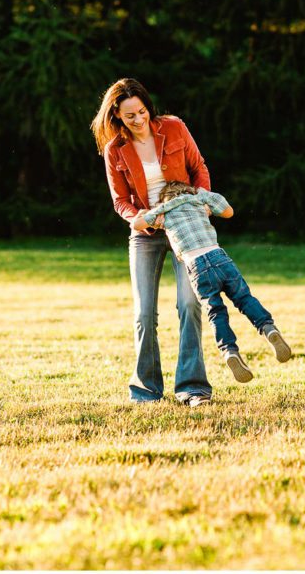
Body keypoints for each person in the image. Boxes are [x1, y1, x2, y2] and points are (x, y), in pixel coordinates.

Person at [90, 78, 213, 407]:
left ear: (148, 107)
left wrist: (202, 202)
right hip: (146, 234)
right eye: (130, 116)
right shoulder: (114, 150)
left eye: (142, 112)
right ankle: (145, 391)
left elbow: (198, 167)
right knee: (144, 314)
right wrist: (137, 217)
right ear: (116, 116)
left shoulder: (173, 128)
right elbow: (120, 201)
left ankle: (193, 388)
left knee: (189, 303)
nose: (139, 120)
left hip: (186, 227)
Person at [132, 180, 292, 384]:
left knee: (215, 312)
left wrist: (151, 213)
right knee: (244, 298)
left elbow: (136, 225)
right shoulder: (199, 199)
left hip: (197, 269)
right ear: (189, 190)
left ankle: (229, 352)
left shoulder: (164, 211)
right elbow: (228, 211)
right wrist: (204, 197)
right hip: (219, 258)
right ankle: (268, 328)